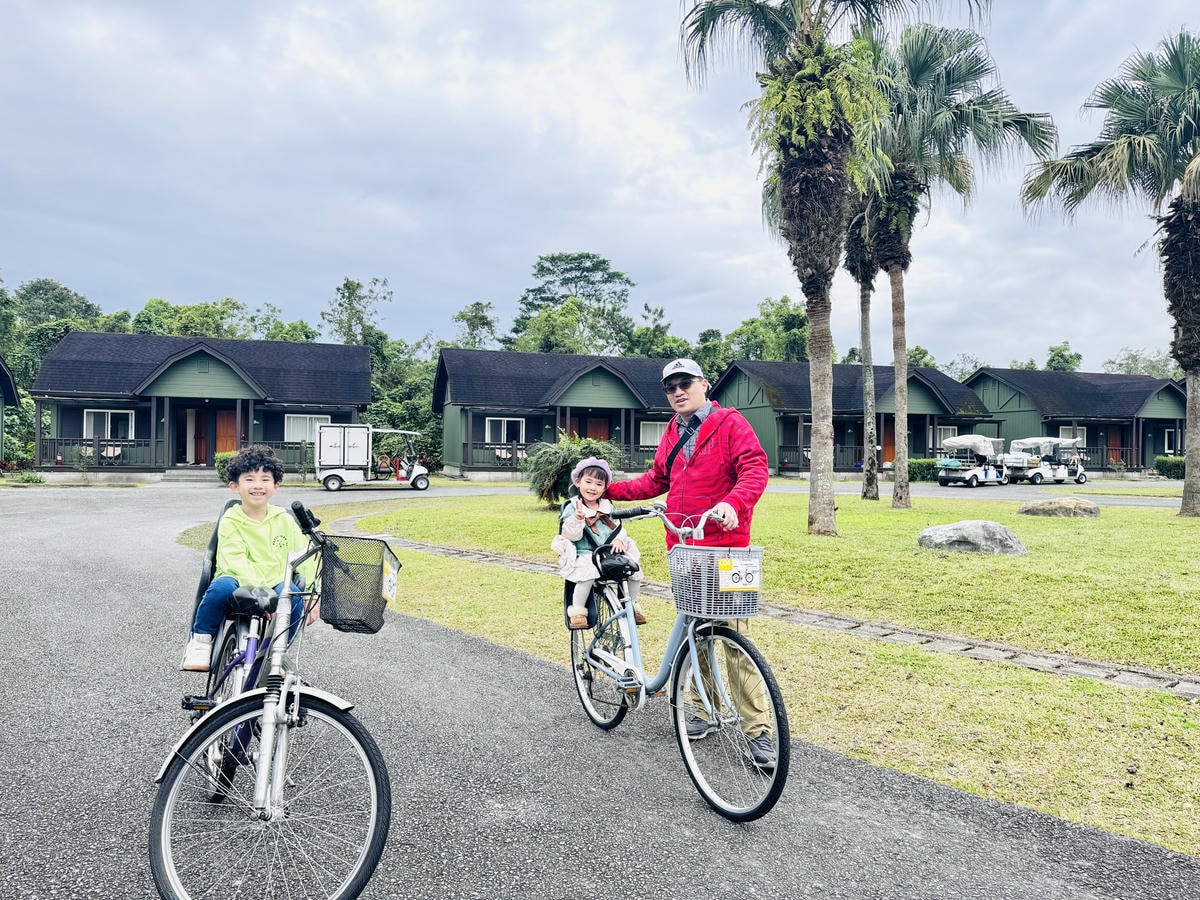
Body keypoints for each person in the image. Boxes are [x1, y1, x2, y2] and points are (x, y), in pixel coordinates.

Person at [606, 358, 775, 766]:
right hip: (684, 547)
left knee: (734, 639)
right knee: (693, 631)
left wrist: (733, 504)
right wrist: (605, 490)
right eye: (670, 387)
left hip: (727, 548)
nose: (678, 392)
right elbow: (655, 480)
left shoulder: (730, 422)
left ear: (703, 385)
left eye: (685, 383)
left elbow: (755, 468)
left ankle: (758, 731)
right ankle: (701, 708)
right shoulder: (671, 430)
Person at [180, 444, 319, 672]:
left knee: (293, 598)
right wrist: (263, 593)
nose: (257, 485)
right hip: (237, 578)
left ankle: (276, 653)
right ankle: (201, 641)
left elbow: (304, 556)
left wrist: (311, 595)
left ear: (276, 486)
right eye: (249, 479)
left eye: (265, 479)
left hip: (275, 581)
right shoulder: (231, 519)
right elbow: (233, 559)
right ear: (234, 486)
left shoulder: (284, 520)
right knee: (220, 588)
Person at [551, 457, 646, 629]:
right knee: (586, 573)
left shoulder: (607, 506)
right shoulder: (573, 506)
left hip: (609, 552)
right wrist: (578, 519)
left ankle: (630, 604)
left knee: (634, 569)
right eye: (588, 482)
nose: (593, 488)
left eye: (599, 484)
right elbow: (569, 535)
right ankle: (578, 611)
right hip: (585, 552)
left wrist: (619, 539)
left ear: (604, 488)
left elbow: (618, 527)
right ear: (578, 481)